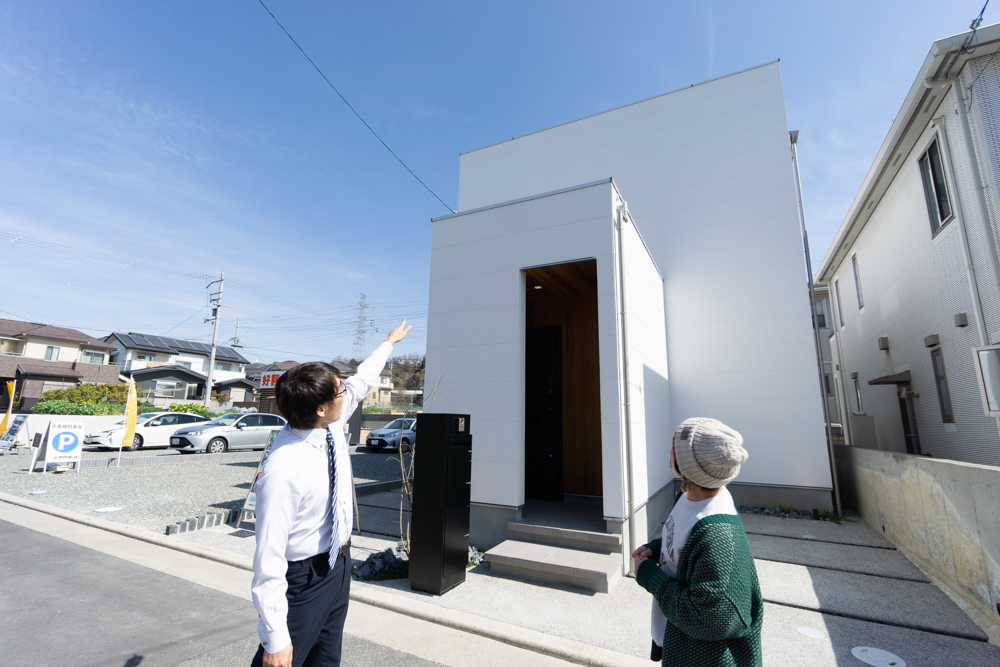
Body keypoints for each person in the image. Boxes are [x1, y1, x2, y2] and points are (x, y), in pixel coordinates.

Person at [250, 319, 411, 667]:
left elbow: (362, 380)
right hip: (304, 577)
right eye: (339, 391)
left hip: (338, 565)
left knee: (325, 659)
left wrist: (388, 343)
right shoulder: (284, 469)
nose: (347, 393)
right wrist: (274, 634)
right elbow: (268, 558)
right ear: (320, 407)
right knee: (281, 660)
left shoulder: (329, 423)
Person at [632, 417, 763, 667]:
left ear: (685, 468)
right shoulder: (691, 495)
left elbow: (708, 618)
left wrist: (650, 577)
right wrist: (658, 548)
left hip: (703, 658)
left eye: (674, 446)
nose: (669, 450)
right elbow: (684, 536)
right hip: (677, 638)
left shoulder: (718, 535)